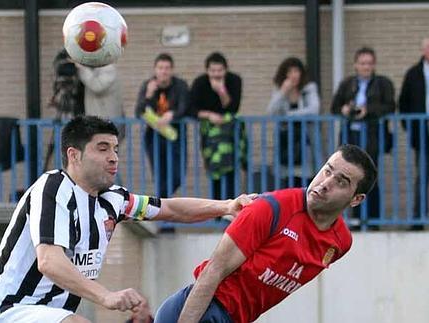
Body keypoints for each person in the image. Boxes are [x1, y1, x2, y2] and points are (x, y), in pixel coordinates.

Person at [0, 116, 256, 323]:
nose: (114, 157)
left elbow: (170, 209)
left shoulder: (114, 200)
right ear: (74, 155)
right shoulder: (54, 187)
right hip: (6, 312)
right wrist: (106, 295)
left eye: (116, 149)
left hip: (52, 315)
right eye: (103, 148)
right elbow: (49, 261)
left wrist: (226, 206)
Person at [154, 144, 377, 323]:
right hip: (200, 310)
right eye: (327, 171)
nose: (325, 183)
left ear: (356, 199)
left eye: (341, 181)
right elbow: (213, 271)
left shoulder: (340, 243)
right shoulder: (270, 208)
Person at [331, 47, 395, 229]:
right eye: (362, 63)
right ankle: (355, 220)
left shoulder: (382, 83)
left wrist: (368, 111)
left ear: (374, 65)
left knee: (370, 178)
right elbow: (334, 106)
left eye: (369, 63)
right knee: (349, 178)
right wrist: (344, 109)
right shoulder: (347, 84)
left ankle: (372, 221)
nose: (365, 67)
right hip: (351, 135)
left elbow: (389, 106)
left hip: (373, 137)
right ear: (355, 65)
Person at [190, 52, 246, 200]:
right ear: (207, 70)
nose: (216, 74)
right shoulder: (200, 83)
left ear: (225, 70)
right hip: (210, 135)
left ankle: (231, 210)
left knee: (231, 169)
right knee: (214, 170)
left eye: (220, 71)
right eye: (213, 71)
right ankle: (218, 212)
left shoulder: (234, 80)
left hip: (230, 135)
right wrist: (209, 115)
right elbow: (191, 110)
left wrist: (222, 91)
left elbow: (234, 108)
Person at [135, 53, 190, 197]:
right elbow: (138, 111)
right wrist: (148, 94)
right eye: (160, 68)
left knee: (178, 174)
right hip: (154, 136)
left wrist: (172, 114)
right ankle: (162, 207)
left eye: (167, 68)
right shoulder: (148, 86)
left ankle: (160, 201)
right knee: (159, 175)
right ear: (155, 69)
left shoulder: (180, 85)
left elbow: (185, 107)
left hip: (175, 135)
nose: (163, 71)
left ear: (172, 70)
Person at [267, 57, 320, 185]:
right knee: (286, 183)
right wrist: (283, 92)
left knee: (304, 181)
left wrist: (288, 115)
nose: (293, 75)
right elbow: (271, 112)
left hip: (305, 142)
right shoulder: (280, 90)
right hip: (285, 142)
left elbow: (314, 109)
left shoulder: (309, 89)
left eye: (296, 71)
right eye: (289, 72)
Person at [398, 37, 429, 231]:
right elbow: (403, 103)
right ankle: (418, 219)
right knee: (423, 175)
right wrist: (412, 130)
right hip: (422, 132)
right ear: (423, 50)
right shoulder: (414, 74)